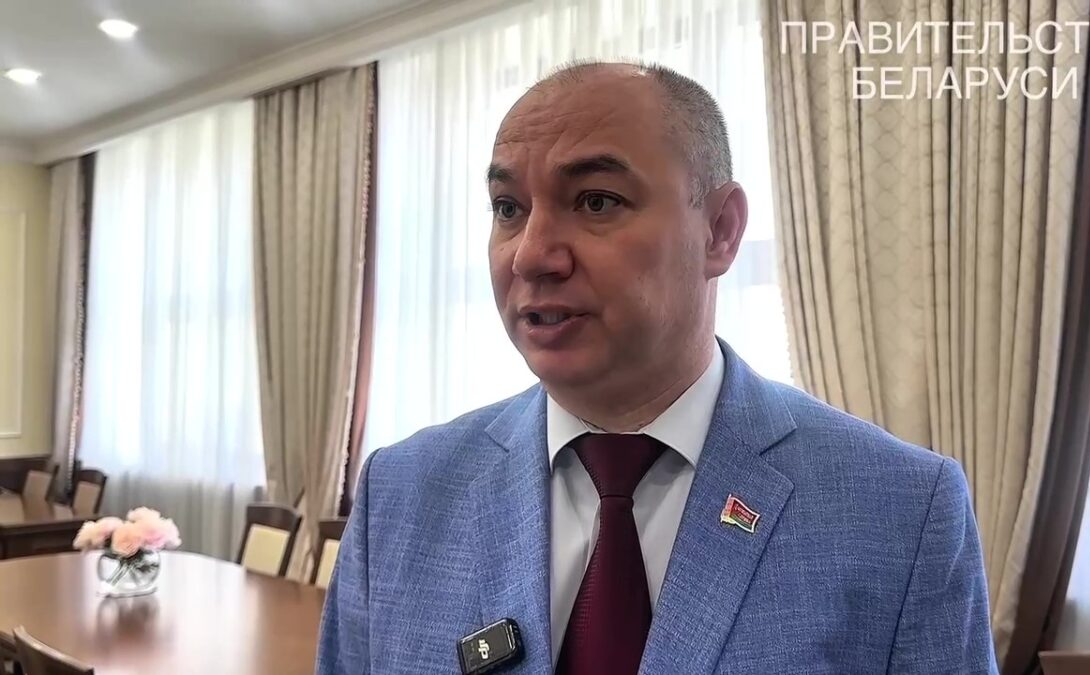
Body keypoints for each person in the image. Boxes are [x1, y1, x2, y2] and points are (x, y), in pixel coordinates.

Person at [317, 60, 998, 674]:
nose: (530, 255)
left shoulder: (902, 510)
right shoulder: (402, 495)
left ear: (720, 230)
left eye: (596, 201)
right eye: (508, 209)